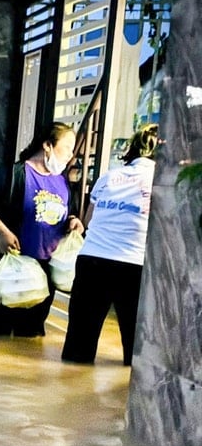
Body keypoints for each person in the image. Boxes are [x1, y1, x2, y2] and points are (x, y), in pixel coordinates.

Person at [0, 121, 85, 337]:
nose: (71, 154)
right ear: (47, 145)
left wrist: (74, 221)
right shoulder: (14, 174)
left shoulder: (63, 181)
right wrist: (3, 232)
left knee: (29, 338)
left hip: (41, 276)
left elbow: (69, 213)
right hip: (10, 269)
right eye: (67, 147)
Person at [62, 124, 159, 365]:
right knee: (136, 357)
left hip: (92, 260)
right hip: (135, 266)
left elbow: (88, 221)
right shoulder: (162, 183)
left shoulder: (107, 177)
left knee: (78, 350)